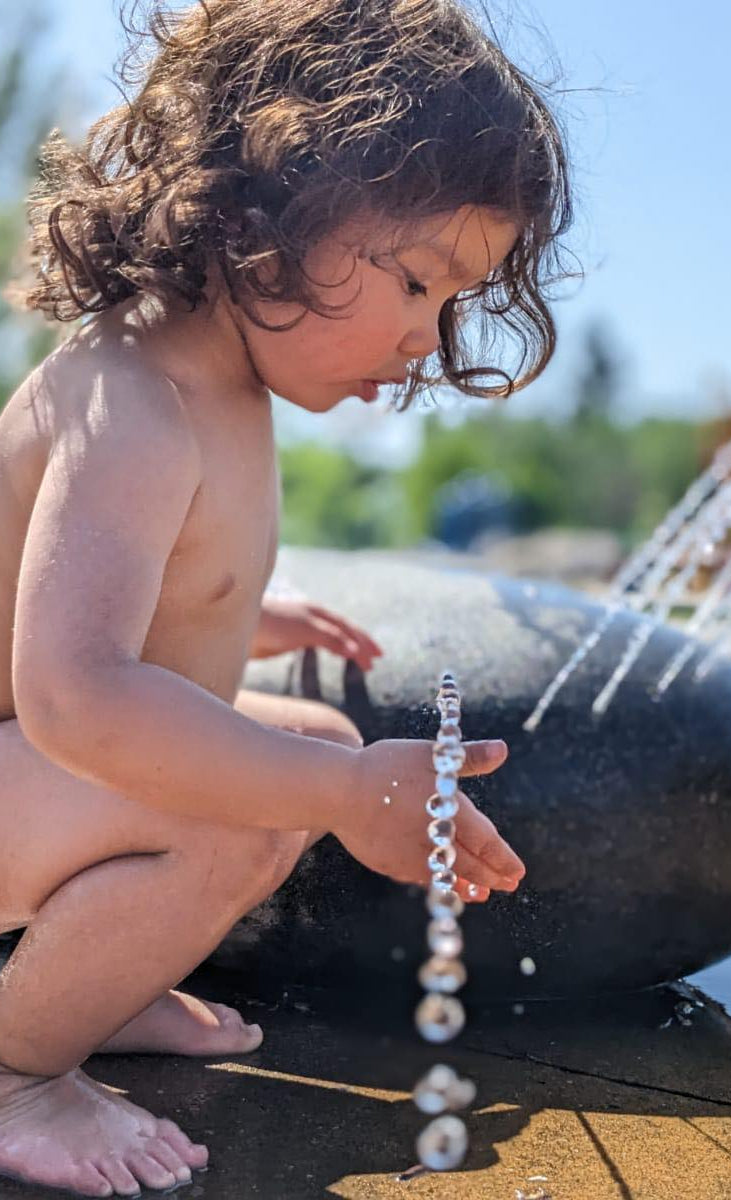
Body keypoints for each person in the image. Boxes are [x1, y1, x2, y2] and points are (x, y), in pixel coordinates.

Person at [0, 0, 573, 1193]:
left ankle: (94, 979)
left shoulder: (225, 388)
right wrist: (342, 794)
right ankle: (17, 1071)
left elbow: (110, 603)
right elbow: (70, 690)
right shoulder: (133, 398)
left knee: (303, 739)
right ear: (273, 202)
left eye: (450, 302)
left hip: (24, 782)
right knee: (258, 800)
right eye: (417, 279)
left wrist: (251, 621)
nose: (427, 334)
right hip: (24, 757)